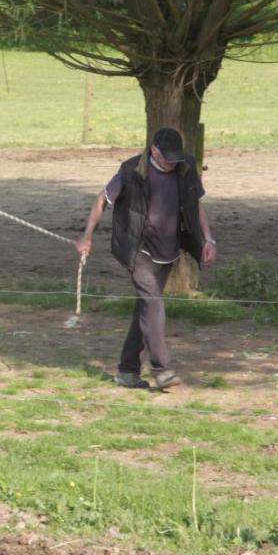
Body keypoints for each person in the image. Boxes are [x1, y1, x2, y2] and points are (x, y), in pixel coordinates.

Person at [75, 127, 216, 390]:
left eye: (175, 157)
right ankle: (162, 370)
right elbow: (101, 201)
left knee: (146, 310)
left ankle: (127, 372)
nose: (171, 162)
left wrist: (209, 240)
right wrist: (87, 237)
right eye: (166, 158)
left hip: (169, 253)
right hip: (138, 252)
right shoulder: (132, 171)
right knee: (154, 304)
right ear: (153, 150)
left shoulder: (185, 170)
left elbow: (196, 206)